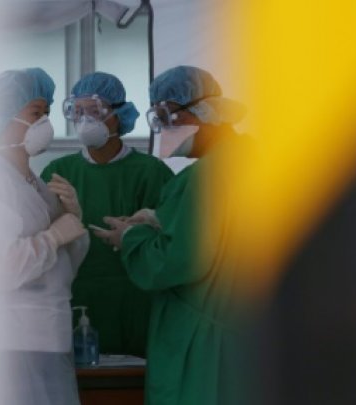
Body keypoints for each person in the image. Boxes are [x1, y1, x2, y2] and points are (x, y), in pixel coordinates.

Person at [94, 66, 249, 405]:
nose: (165, 129)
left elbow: (177, 261)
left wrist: (130, 239)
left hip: (203, 344)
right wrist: (161, 220)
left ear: (205, 112)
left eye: (168, 115)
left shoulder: (203, 178)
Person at [40, 72, 173, 356]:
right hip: (77, 297)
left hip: (137, 302)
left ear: (120, 114)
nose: (85, 120)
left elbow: (172, 245)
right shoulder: (58, 173)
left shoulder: (151, 172)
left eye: (95, 111)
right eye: (77, 112)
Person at [0, 68, 89, 405]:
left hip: (47, 334)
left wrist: (72, 221)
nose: (45, 123)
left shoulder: (33, 182)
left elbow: (64, 270)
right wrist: (54, 236)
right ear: (2, 115)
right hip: (11, 339)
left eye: (47, 113)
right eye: (36, 113)